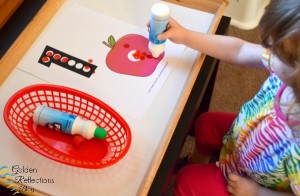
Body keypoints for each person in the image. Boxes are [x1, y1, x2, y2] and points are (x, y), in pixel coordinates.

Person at [155, 0, 300, 195]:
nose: (270, 54)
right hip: (247, 140)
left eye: (278, 53)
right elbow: (239, 50)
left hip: (253, 183)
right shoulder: (288, 68)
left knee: (185, 181)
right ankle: (197, 162)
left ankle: (199, 172)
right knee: (205, 124)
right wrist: (185, 36)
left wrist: (256, 192)